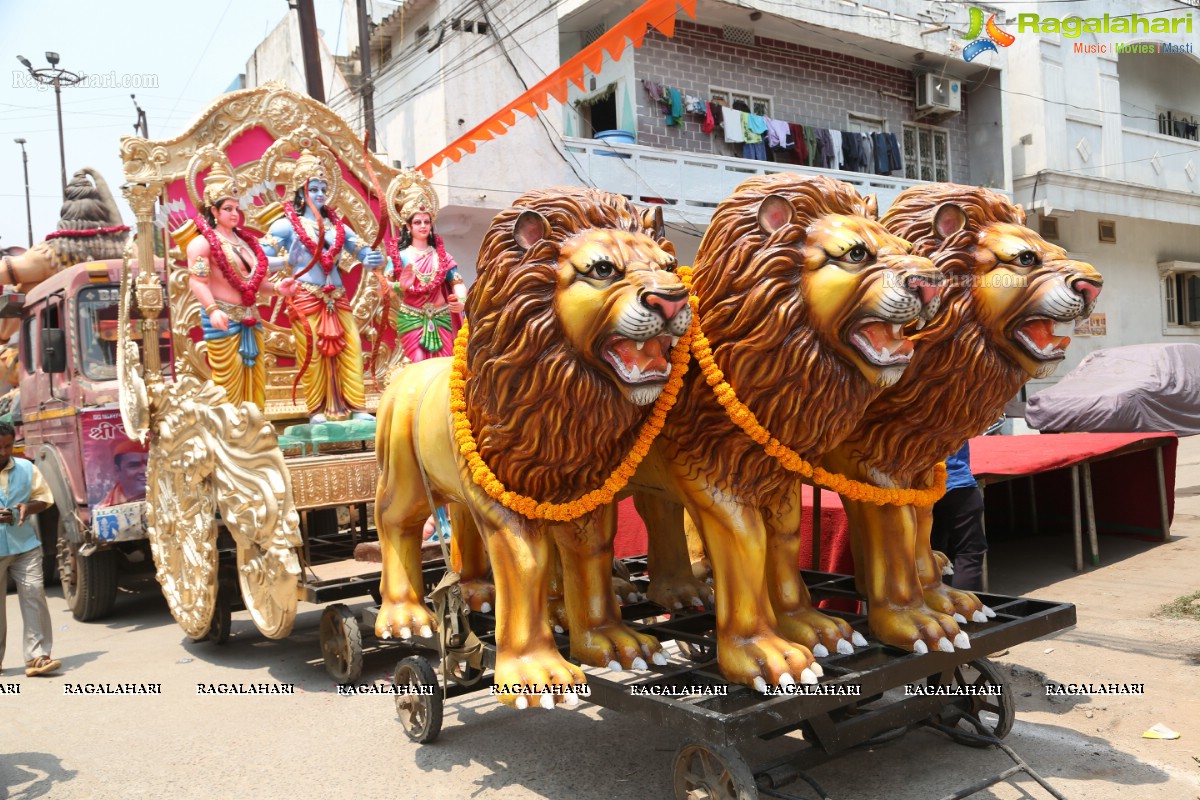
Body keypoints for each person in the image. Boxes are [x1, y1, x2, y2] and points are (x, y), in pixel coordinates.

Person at [262, 149, 384, 424]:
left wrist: (372, 258)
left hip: (338, 297)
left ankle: (357, 406)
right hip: (307, 297)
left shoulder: (339, 227)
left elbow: (363, 251)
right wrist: (285, 261)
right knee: (313, 353)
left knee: (351, 347)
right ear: (300, 191)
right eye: (313, 188)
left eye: (323, 189)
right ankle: (316, 409)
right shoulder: (286, 226)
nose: (319, 194)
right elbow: (256, 261)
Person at [185, 157, 290, 409]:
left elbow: (254, 281)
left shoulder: (245, 243)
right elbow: (197, 282)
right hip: (223, 321)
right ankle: (232, 436)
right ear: (214, 211)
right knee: (228, 384)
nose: (235, 214)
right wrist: (212, 310)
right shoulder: (202, 244)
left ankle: (254, 427)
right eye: (228, 209)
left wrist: (277, 288)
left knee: (255, 379)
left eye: (236, 208)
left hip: (251, 320)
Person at [382, 170, 465, 362]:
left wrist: (461, 301)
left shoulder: (442, 257)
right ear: (408, 227)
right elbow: (382, 290)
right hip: (412, 319)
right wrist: (398, 286)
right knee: (419, 364)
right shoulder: (400, 257)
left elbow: (457, 282)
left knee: (445, 366)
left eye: (426, 222)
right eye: (417, 222)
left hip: (442, 317)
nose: (423, 226)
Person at [0, 421, 63, 676]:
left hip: (25, 546)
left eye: (7, 446)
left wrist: (27, 508)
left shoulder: (26, 468)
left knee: (34, 592)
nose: (3, 453)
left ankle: (37, 656)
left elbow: (44, 499)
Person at [930, 441, 986, 591]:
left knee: (927, 554)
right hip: (954, 483)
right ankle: (966, 611)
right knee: (969, 553)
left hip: (914, 487)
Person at [99, 439, 149, 507]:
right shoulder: (104, 510)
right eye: (134, 465)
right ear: (117, 471)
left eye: (149, 464)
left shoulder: (166, 500)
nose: (145, 471)